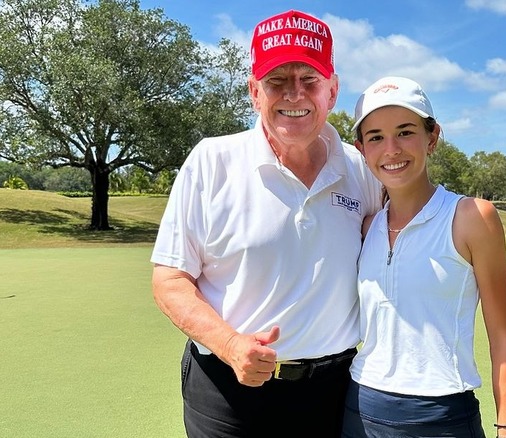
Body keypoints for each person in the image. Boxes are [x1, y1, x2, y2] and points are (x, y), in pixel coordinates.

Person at [150, 9, 381, 437]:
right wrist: (231, 345)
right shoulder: (211, 161)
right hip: (227, 392)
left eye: (309, 80)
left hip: (334, 392)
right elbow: (170, 277)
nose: (295, 95)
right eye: (276, 81)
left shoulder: (360, 167)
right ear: (254, 91)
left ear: (332, 90)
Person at [342, 77, 506, 438]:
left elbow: (503, 335)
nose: (391, 149)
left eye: (405, 132)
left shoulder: (473, 217)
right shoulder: (366, 226)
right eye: (376, 137)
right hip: (361, 410)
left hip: (442, 417)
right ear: (362, 149)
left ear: (433, 137)